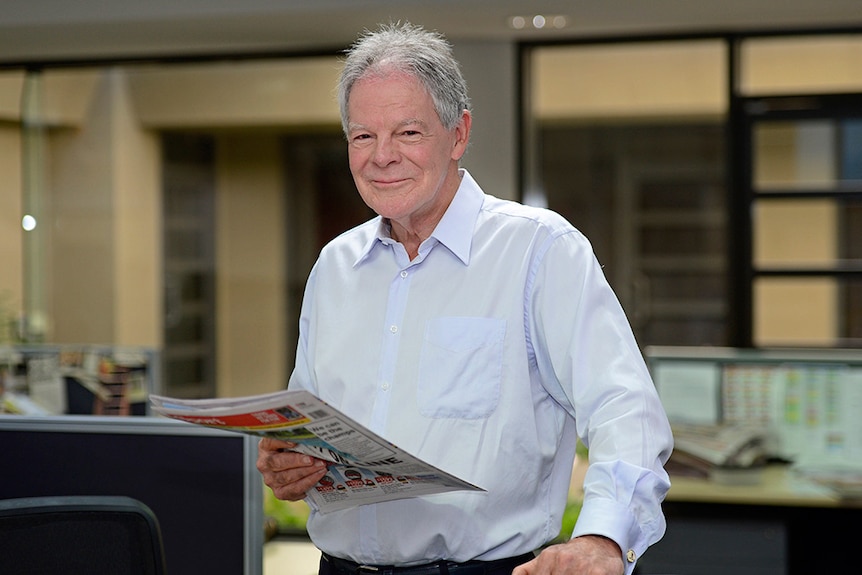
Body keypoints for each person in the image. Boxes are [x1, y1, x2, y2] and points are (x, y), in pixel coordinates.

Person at [257, 21, 673, 575]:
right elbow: (310, 425)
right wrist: (291, 463)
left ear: (458, 135)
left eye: (408, 133)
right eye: (363, 136)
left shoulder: (540, 249)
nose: (382, 156)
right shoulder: (334, 267)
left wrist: (604, 539)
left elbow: (627, 409)